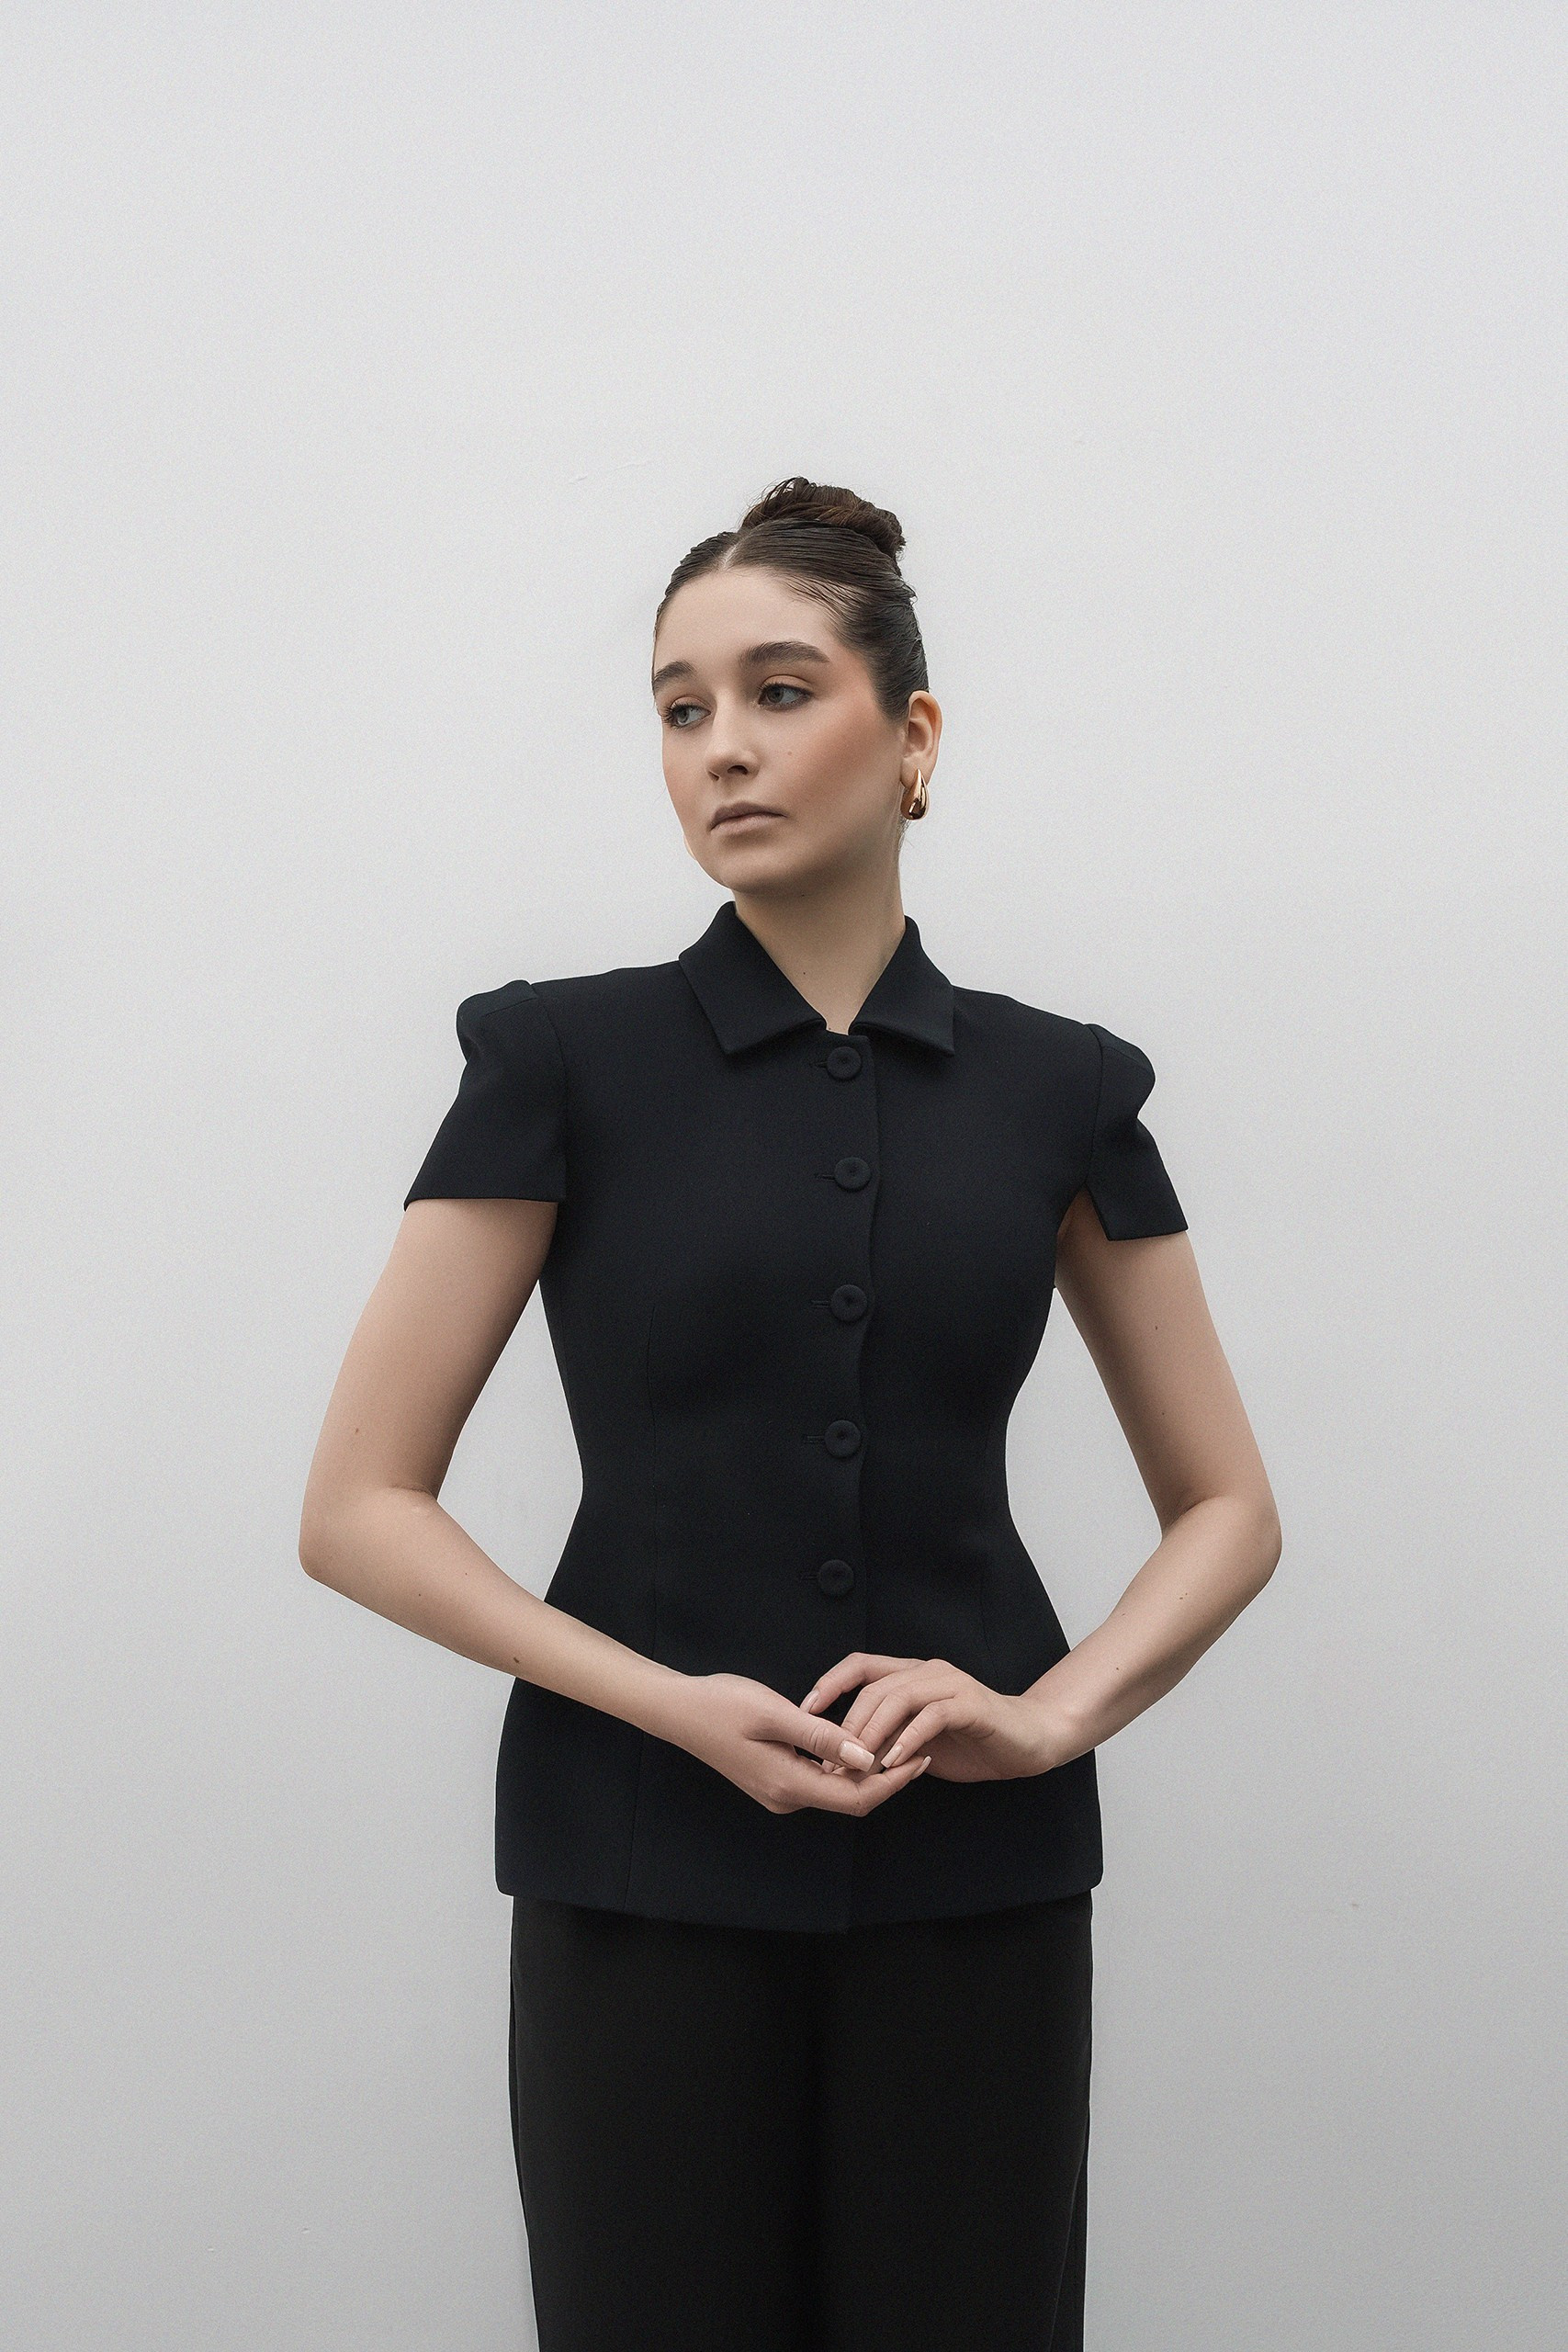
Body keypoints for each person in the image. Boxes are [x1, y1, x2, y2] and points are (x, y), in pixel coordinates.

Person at [299, 475, 1282, 2351]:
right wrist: (669, 1703)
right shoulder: (556, 1060)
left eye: (777, 690)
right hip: (635, 1866)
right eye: (680, 708)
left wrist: (1047, 1716)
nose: (720, 749)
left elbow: (1227, 1502)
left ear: (913, 738)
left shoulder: (1064, 1090)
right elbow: (356, 1506)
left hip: (976, 1880)